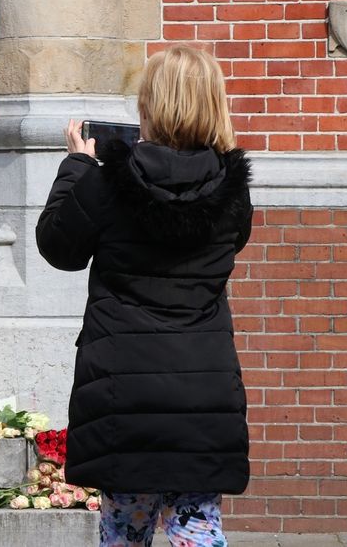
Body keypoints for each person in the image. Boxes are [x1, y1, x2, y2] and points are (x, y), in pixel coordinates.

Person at [36, 45, 253, 547]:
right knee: (196, 526)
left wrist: (76, 167)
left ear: (149, 107)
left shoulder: (108, 182)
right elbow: (232, 245)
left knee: (124, 531)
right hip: (203, 391)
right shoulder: (232, 189)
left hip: (123, 390)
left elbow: (58, 247)